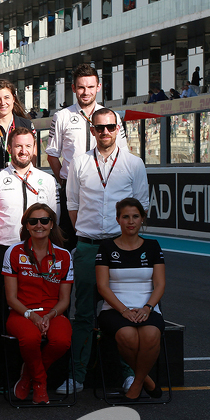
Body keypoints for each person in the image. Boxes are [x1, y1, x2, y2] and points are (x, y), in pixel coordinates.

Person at [60, 107, 149, 395]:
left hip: (120, 249)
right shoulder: (80, 163)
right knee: (84, 313)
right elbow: (72, 205)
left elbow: (140, 207)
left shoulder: (134, 164)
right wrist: (88, 234)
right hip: (87, 247)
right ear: (92, 131)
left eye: (110, 127)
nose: (105, 132)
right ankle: (77, 377)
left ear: (118, 128)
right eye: (100, 128)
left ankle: (129, 375)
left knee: (126, 312)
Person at [0, 127, 58, 332]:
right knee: (4, 308)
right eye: (18, 146)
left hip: (40, 252)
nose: (23, 151)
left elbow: (53, 219)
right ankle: (7, 357)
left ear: (35, 149)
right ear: (9, 148)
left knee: (41, 303)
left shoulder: (48, 181)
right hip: (4, 251)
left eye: (27, 146)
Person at [46, 64, 126, 250]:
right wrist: (66, 182)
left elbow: (122, 154)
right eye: (81, 87)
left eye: (90, 87)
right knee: (69, 243)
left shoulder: (111, 117)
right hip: (71, 191)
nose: (85, 92)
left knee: (108, 243)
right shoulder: (62, 116)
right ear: (73, 88)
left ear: (98, 87)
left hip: (105, 188)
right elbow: (52, 155)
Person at [96, 198, 165, 401]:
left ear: (142, 219)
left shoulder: (152, 246)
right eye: (125, 217)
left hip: (147, 308)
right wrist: (124, 310)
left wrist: (148, 307)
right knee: (128, 336)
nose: (130, 221)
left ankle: (136, 383)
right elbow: (102, 286)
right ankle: (146, 381)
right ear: (118, 220)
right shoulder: (107, 247)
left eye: (135, 216)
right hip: (114, 309)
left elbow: (160, 284)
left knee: (151, 335)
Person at [3, 204, 73, 405]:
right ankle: (40, 383)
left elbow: (65, 300)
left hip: (53, 313)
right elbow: (11, 298)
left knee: (61, 340)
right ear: (26, 225)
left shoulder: (64, 255)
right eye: (33, 221)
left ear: (52, 224)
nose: (39, 225)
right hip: (21, 313)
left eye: (44, 220)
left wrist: (49, 316)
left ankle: (27, 377)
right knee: (30, 337)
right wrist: (32, 316)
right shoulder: (13, 252)